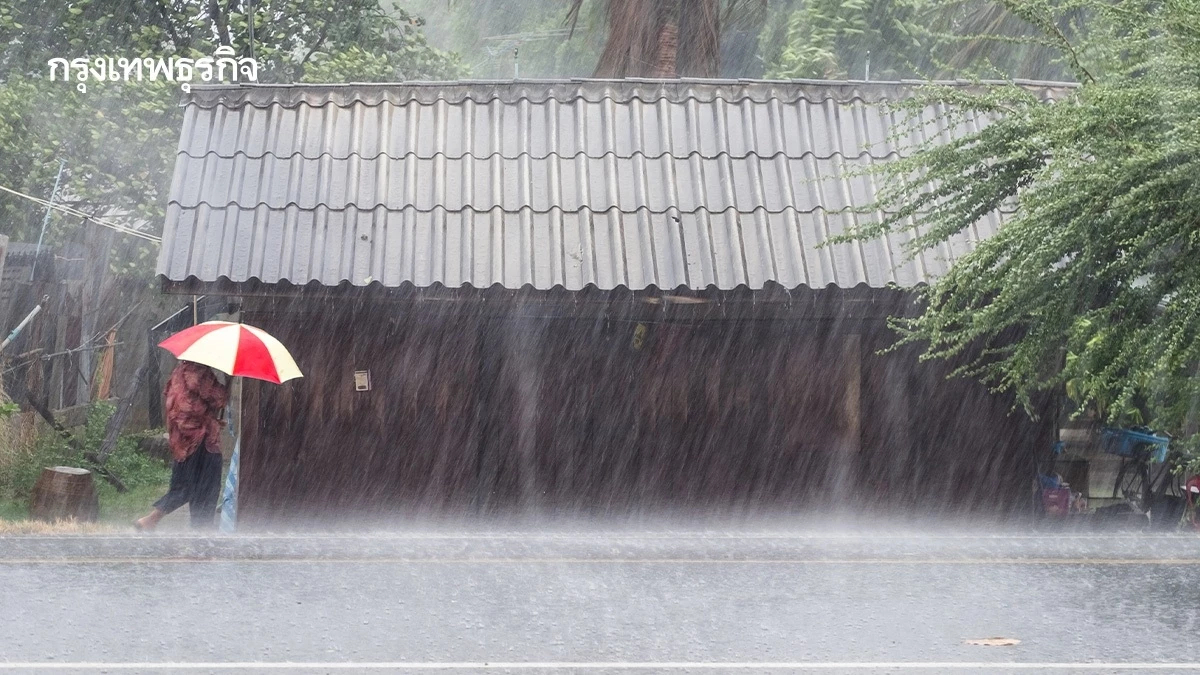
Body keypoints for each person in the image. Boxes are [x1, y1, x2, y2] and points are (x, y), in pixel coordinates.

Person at [135, 362, 229, 531]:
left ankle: (151, 520)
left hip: (182, 442)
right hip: (202, 443)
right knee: (206, 492)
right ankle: (199, 542)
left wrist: (211, 418)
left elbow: (187, 405)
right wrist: (227, 384)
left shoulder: (178, 373)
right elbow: (218, 398)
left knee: (182, 487)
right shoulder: (200, 374)